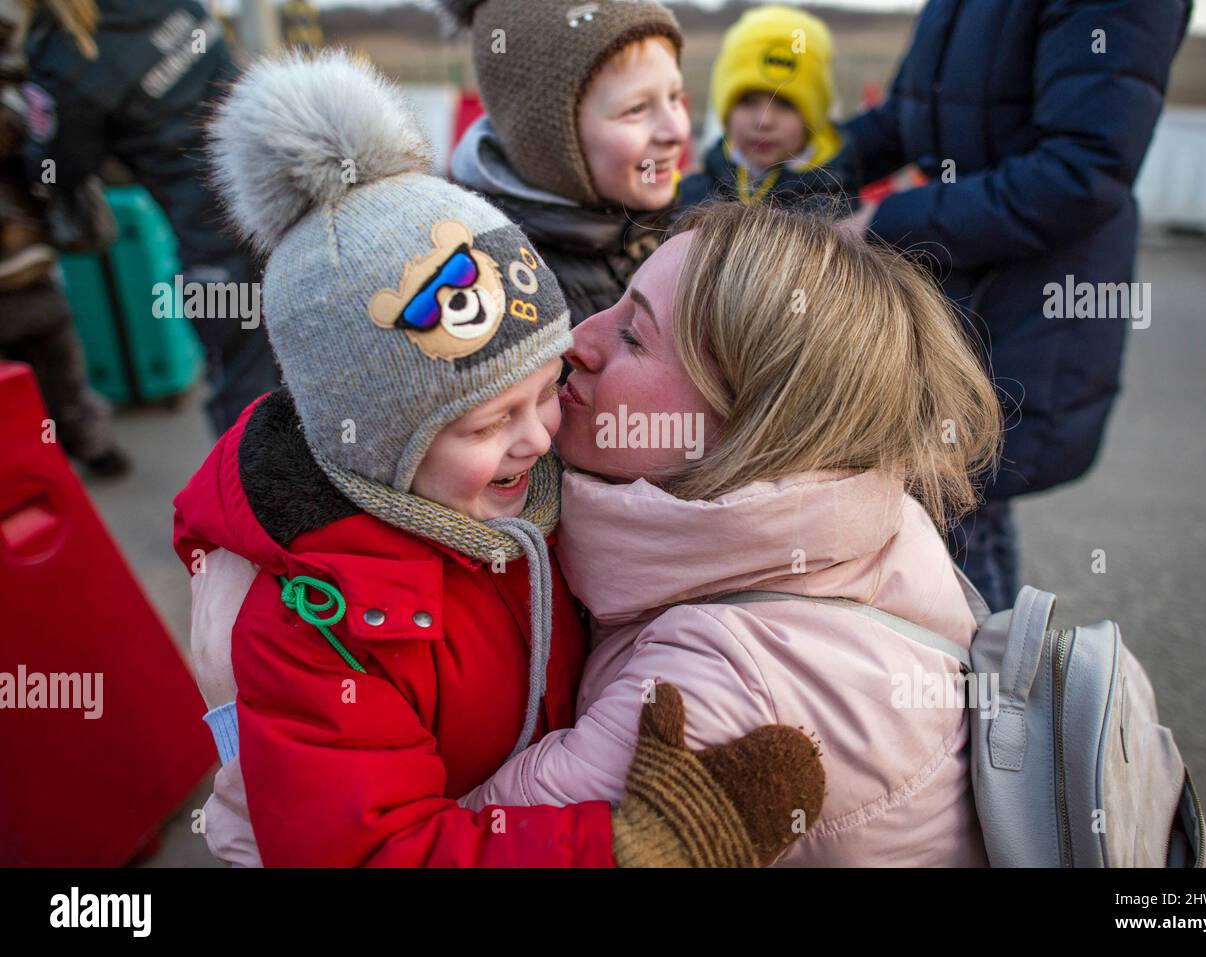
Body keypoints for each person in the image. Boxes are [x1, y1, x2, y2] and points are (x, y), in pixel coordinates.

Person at [191, 199, 1004, 866]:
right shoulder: (863, 510)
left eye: (635, 334)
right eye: (616, 298)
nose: (578, 337)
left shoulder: (723, 685)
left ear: (751, 425)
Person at [175, 52, 823, 868]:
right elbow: (375, 850)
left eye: (546, 389)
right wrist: (623, 849)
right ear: (376, 441)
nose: (540, 438)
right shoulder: (314, 629)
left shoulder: (526, 498)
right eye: (488, 423)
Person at [838, 0, 1192, 610]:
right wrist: (792, 169)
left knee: (959, 535)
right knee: (949, 520)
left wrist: (884, 222)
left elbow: (1080, 173)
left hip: (1027, 309)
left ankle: (998, 697)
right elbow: (909, 118)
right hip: (957, 302)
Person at [20, 0, 281, 434]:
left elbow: (57, 168)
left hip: (213, 240)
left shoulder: (65, 53)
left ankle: (253, 498)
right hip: (289, 195)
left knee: (243, 390)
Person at [444, 0, 690, 324]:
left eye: (674, 97)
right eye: (636, 109)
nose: (676, 130)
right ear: (547, 138)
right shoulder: (501, 296)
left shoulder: (673, 237)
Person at [0, 0, 127, 475]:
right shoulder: (26, 83)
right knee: (54, 370)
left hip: (27, 261)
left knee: (56, 367)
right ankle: (63, 455)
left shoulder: (27, 81)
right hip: (26, 259)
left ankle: (62, 454)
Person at [677, 4, 860, 214]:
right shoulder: (693, 196)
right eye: (747, 101)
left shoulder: (839, 211)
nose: (764, 121)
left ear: (815, 114)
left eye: (785, 104)